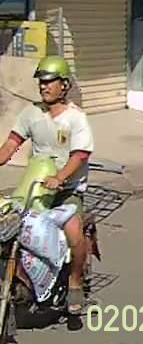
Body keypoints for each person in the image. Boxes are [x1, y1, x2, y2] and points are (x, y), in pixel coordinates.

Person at [0, 55, 94, 314]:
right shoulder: (31, 114)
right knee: (7, 227)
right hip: (35, 186)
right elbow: (10, 144)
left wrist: (60, 178)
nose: (44, 86)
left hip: (66, 190)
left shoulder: (76, 118)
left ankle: (75, 283)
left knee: (74, 232)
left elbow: (80, 155)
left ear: (64, 85)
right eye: (41, 82)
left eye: (50, 81)